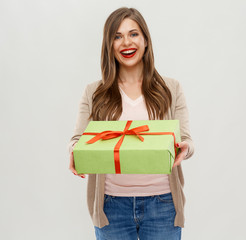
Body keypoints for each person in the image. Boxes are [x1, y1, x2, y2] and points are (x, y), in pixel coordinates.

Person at [68, 7, 194, 240]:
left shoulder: (171, 89)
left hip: (163, 203)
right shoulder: (94, 92)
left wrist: (185, 148)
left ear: (146, 40)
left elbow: (186, 139)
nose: (126, 42)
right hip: (111, 205)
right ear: (109, 45)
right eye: (117, 36)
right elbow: (78, 139)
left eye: (133, 34)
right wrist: (76, 151)